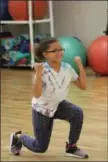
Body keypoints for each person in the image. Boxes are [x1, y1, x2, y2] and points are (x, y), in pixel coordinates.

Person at [9, 37, 89, 159]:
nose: (59, 52)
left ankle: (71, 147)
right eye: (55, 50)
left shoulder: (67, 68)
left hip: (57, 105)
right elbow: (36, 94)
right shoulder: (43, 70)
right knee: (40, 147)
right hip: (42, 109)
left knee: (77, 113)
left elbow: (83, 86)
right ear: (46, 54)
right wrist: (39, 73)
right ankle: (18, 138)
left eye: (60, 49)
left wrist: (80, 66)